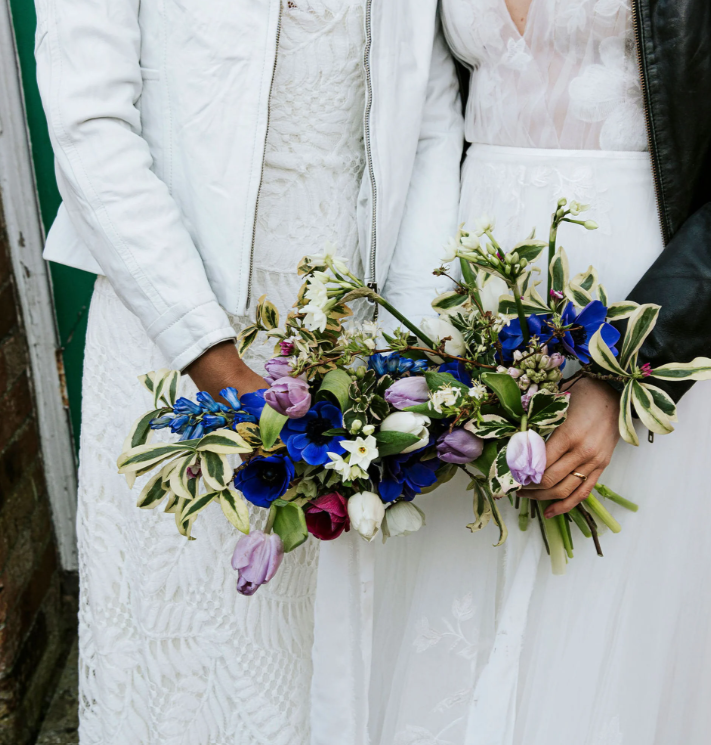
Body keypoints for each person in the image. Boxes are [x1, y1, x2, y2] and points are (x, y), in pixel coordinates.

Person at [358, 0, 711, 743]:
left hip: (652, 301)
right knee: (466, 595)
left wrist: (622, 374)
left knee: (610, 624)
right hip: (475, 309)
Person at [32, 0, 462, 741]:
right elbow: (88, 121)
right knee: (195, 653)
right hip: (173, 334)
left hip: (348, 347)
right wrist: (213, 358)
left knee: (336, 643)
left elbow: (428, 121)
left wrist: (403, 355)